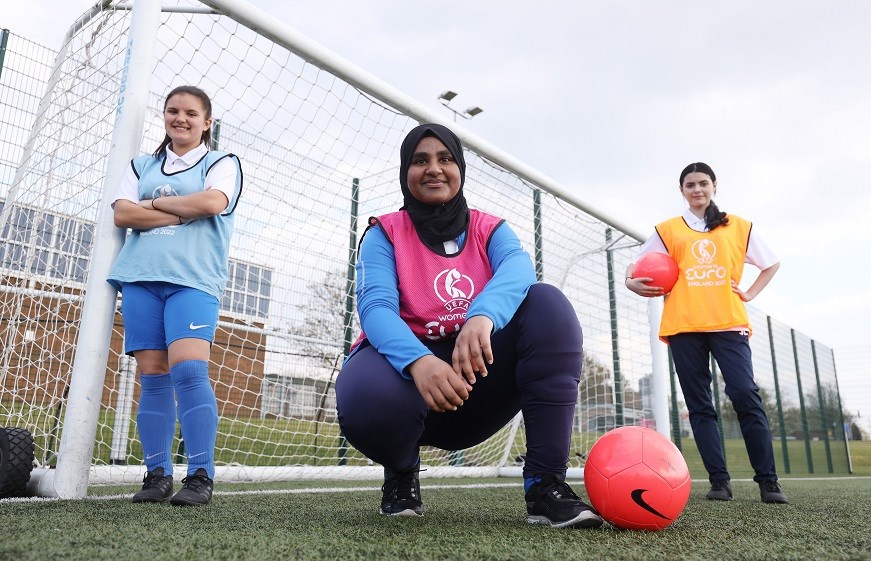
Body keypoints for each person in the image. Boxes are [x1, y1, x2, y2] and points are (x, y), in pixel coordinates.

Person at [335, 123, 602, 529]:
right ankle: (402, 471)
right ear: (405, 172)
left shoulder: (488, 228)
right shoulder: (383, 233)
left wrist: (482, 316)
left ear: (460, 167)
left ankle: (545, 484)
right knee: (363, 393)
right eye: (420, 160)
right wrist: (419, 362)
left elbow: (518, 267)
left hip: (476, 382)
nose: (434, 169)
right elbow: (375, 308)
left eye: (445, 159)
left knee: (549, 305)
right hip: (413, 383)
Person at [108, 85, 242, 506]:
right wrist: (181, 208)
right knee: (153, 377)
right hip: (140, 277)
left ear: (207, 122)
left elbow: (213, 203)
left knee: (188, 372)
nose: (180, 119)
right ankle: (157, 475)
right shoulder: (141, 164)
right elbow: (122, 213)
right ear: (164, 117)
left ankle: (200, 475)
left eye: (190, 113)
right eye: (172, 111)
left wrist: (154, 208)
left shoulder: (223, 162)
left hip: (193, 279)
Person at [625, 162, 787, 504]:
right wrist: (629, 281)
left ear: (714, 185)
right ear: (681, 190)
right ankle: (719, 482)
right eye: (689, 185)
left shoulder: (739, 226)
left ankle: (768, 482)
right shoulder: (667, 230)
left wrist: (750, 293)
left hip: (728, 322)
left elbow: (771, 262)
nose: (697, 189)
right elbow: (638, 264)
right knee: (699, 406)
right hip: (684, 325)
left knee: (745, 394)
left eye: (702, 183)